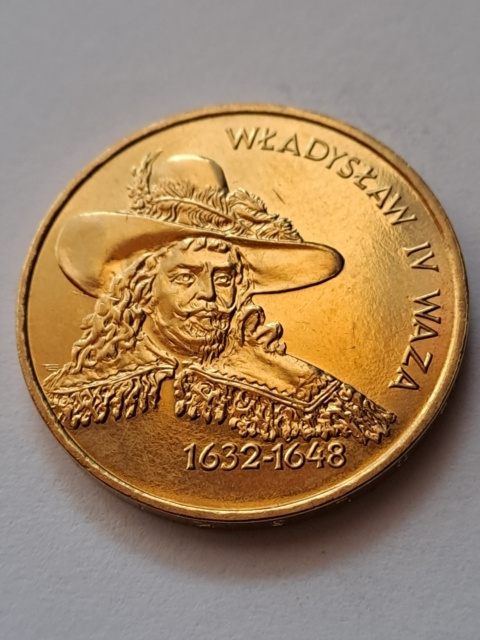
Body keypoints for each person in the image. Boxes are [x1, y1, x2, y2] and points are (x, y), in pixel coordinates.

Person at [45, 154, 395, 444]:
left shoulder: (304, 393)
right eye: (185, 277)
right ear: (142, 289)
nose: (209, 295)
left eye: (224, 278)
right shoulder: (83, 394)